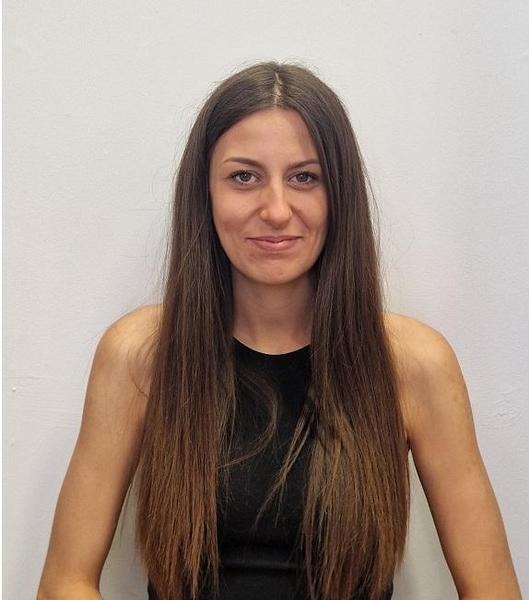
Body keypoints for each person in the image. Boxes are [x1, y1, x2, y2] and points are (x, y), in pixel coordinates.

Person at [37, 61, 521, 600]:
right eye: (244, 177)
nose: (275, 210)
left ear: (339, 195)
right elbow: (64, 582)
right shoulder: (140, 355)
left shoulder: (413, 364)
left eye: (304, 177)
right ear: (205, 194)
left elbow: (492, 589)